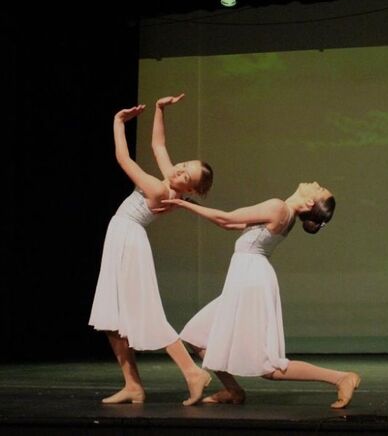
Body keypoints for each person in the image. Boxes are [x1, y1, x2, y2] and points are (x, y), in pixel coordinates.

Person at [161, 182, 361, 409]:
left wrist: (184, 205)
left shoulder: (278, 208)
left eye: (319, 189)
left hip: (251, 282)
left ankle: (340, 378)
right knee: (197, 334)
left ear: (309, 202)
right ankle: (233, 390)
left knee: (268, 366)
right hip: (246, 279)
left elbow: (226, 218)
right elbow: (232, 224)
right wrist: (188, 203)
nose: (315, 183)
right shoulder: (284, 212)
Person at [88, 94, 213, 406]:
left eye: (185, 175)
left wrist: (118, 122)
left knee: (145, 315)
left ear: (189, 189)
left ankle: (192, 372)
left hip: (128, 241)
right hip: (123, 237)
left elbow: (124, 159)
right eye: (183, 165)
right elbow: (158, 145)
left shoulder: (159, 189)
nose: (178, 170)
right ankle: (132, 385)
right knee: (112, 317)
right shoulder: (170, 183)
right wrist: (159, 109)